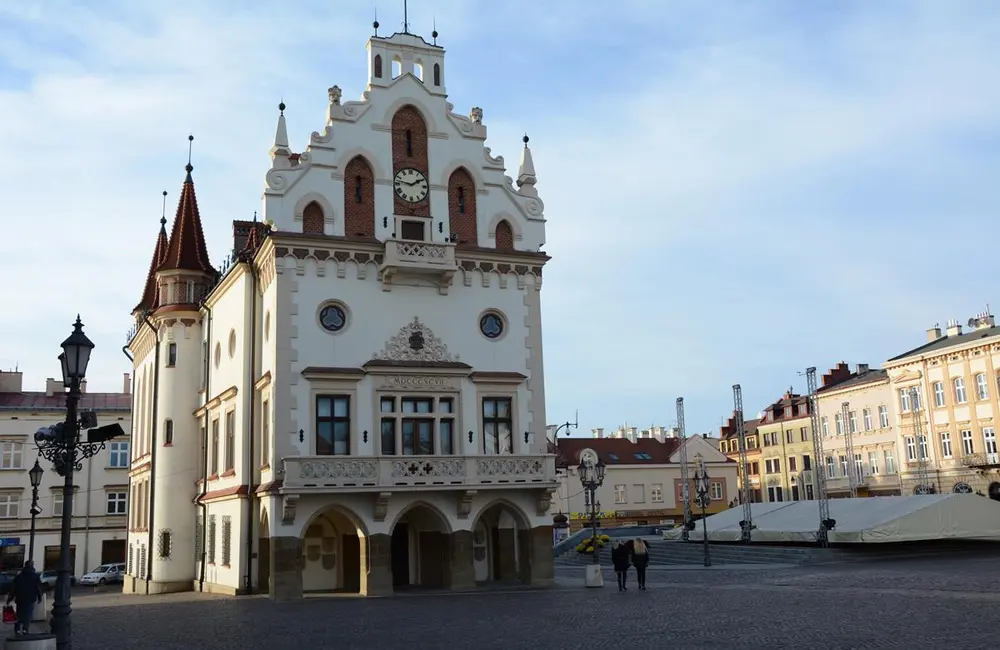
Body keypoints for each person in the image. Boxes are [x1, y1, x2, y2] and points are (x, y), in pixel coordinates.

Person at [7, 561, 43, 635]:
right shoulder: (35, 576)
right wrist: (40, 597)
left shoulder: (18, 577)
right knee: (28, 614)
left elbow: (13, 589)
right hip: (30, 598)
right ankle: (25, 629)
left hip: (20, 598)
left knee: (19, 614)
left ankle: (17, 629)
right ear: (32, 566)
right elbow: (38, 588)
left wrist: (9, 599)